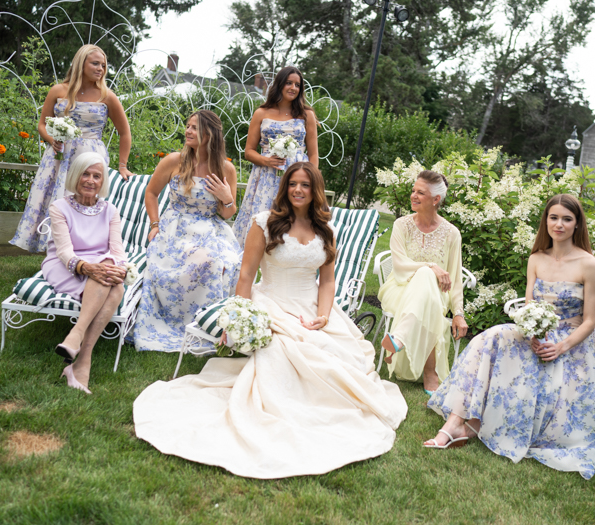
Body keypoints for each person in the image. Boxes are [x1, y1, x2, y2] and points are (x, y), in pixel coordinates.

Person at [133, 162, 407, 479]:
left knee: (342, 356)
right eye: (292, 184)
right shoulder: (264, 223)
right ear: (285, 188)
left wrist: (323, 314)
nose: (298, 190)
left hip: (312, 305)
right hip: (272, 301)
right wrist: (241, 316)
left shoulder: (325, 231)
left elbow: (328, 281)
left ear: (315, 190)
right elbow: (246, 275)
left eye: (305, 184)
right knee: (285, 351)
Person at [425, 194, 595, 480]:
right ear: (546, 221)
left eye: (566, 219)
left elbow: (590, 322)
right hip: (534, 334)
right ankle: (455, 423)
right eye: (553, 217)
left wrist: (559, 347)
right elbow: (529, 306)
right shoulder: (536, 258)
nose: (559, 224)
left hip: (568, 344)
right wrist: (534, 333)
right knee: (491, 337)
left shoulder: (590, 265)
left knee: (498, 340)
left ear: (577, 224)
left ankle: (465, 425)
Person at [132, 110, 242, 352]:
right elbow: (151, 193)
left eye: (194, 127)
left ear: (209, 134)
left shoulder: (226, 170)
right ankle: (183, 323)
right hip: (176, 228)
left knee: (227, 263)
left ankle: (211, 325)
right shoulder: (174, 161)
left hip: (210, 228)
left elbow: (227, 213)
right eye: (188, 126)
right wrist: (154, 224)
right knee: (203, 261)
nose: (188, 131)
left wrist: (226, 198)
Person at [10, 44, 133, 253]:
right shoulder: (58, 91)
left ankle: (82, 251)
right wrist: (51, 139)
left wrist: (123, 166)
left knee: (84, 202)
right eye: (95, 63)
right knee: (54, 200)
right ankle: (53, 252)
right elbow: (42, 124)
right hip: (59, 157)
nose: (100, 69)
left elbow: (125, 133)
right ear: (81, 63)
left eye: (103, 65)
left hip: (90, 157)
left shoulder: (107, 96)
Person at [41, 152, 128, 394]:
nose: (90, 180)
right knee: (107, 281)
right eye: (85, 174)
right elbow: (64, 252)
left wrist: (117, 267)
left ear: (103, 181)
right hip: (64, 264)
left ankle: (77, 346)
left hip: (99, 263)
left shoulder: (110, 210)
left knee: (113, 280)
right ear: (76, 177)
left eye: (96, 176)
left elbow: (117, 250)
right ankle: (81, 358)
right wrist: (87, 268)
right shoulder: (59, 207)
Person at [377, 170, 468, 394]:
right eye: (413, 190)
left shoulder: (451, 233)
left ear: (436, 199)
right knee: (427, 276)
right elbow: (399, 265)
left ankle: (399, 337)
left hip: (437, 295)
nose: (413, 196)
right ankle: (431, 373)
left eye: (420, 193)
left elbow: (455, 278)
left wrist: (458, 312)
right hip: (399, 289)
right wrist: (431, 266)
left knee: (430, 296)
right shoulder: (401, 224)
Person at [231, 66, 319, 247]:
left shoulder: (306, 115)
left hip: (296, 178)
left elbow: (314, 154)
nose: (293, 88)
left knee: (291, 223)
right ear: (279, 84)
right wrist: (266, 160)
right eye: (289, 83)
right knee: (261, 222)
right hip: (265, 177)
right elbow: (249, 151)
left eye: (297, 85)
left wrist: (311, 180)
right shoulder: (261, 113)